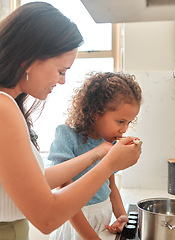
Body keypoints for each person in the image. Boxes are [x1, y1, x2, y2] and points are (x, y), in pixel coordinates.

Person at [0, 2, 142, 240]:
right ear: (28, 59)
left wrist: (99, 153)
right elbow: (46, 217)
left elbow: (34, 182)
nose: (62, 81)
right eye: (61, 71)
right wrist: (109, 164)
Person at [48, 72, 142, 240]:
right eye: (120, 121)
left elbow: (111, 185)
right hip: (76, 225)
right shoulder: (67, 136)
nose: (124, 129)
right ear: (95, 113)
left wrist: (122, 217)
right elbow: (65, 198)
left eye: (129, 122)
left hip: (102, 219)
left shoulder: (111, 144)